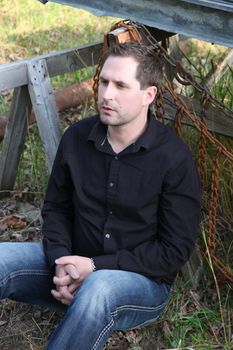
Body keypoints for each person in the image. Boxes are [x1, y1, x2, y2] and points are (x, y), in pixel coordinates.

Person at [0, 41, 201, 349]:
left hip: (137, 285)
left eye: (121, 85)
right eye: (104, 82)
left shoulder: (173, 159)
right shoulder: (77, 138)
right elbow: (56, 209)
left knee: (99, 287)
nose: (107, 94)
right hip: (68, 267)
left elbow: (173, 251)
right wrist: (61, 263)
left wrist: (94, 267)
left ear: (149, 95)